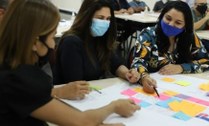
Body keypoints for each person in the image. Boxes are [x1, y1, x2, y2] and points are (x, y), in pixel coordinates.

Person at [0, 0, 140, 125]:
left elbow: (114, 61)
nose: (53, 44)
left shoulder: (15, 69)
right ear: (35, 42)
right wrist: (113, 107)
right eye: (52, 36)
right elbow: (81, 121)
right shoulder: (21, 78)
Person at [53, 0, 141, 86]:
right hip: (72, 96)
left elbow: (115, 63)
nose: (105, 22)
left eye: (108, 19)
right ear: (87, 17)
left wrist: (127, 73)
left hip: (90, 92)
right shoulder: (71, 42)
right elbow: (75, 84)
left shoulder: (100, 38)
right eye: (100, 18)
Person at [130, 1, 209, 92]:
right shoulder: (148, 34)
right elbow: (138, 63)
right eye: (168, 18)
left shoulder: (190, 37)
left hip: (181, 87)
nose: (171, 24)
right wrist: (144, 77)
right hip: (154, 87)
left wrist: (181, 68)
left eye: (178, 23)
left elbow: (207, 62)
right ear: (162, 16)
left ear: (185, 25)